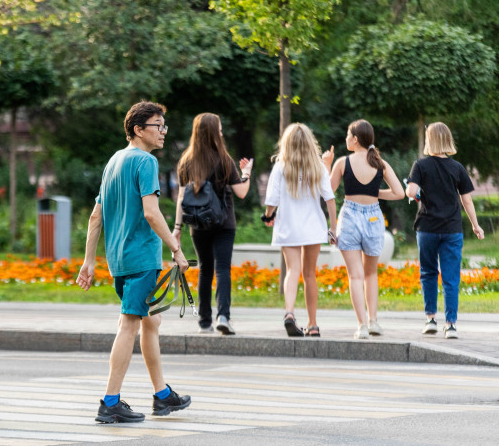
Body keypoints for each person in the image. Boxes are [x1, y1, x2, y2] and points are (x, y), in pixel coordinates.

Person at [76, 101, 192, 424]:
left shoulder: (114, 161)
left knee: (150, 322)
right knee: (129, 324)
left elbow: (96, 216)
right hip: (141, 259)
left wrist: (89, 261)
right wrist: (176, 249)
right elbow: (151, 213)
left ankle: (162, 395)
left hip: (119, 259)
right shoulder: (145, 162)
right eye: (158, 125)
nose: (163, 131)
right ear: (138, 130)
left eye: (164, 125)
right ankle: (110, 402)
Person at [172, 113, 253, 335]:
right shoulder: (224, 160)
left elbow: (181, 197)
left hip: (198, 225)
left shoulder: (186, 161)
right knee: (223, 268)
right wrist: (246, 173)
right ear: (213, 132)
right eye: (219, 129)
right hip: (224, 223)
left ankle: (204, 322)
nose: (222, 133)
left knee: (205, 269)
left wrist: (177, 228)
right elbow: (241, 192)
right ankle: (223, 316)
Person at [323, 120, 404, 340]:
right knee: (371, 274)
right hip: (374, 218)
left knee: (355, 276)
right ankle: (373, 321)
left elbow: (328, 191)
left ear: (355, 139)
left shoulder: (342, 162)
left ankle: (362, 326)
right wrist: (375, 193)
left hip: (349, 217)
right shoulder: (379, 163)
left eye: (348, 135)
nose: (346, 139)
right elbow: (399, 193)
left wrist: (327, 165)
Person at [405, 122, 485, 339]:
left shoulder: (420, 165)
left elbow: (411, 192)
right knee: (451, 278)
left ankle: (430, 319)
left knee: (428, 273)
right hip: (452, 229)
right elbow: (467, 201)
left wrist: (416, 192)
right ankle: (450, 325)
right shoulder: (457, 168)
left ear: (429, 140)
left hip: (427, 228)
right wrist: (476, 225)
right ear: (448, 140)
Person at [263, 123, 337, 338]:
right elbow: (330, 199)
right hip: (313, 227)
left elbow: (272, 200)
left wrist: (268, 216)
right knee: (309, 274)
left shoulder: (281, 167)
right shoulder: (318, 167)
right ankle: (313, 325)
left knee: (292, 270)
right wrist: (332, 228)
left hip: (288, 225)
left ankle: (289, 313)